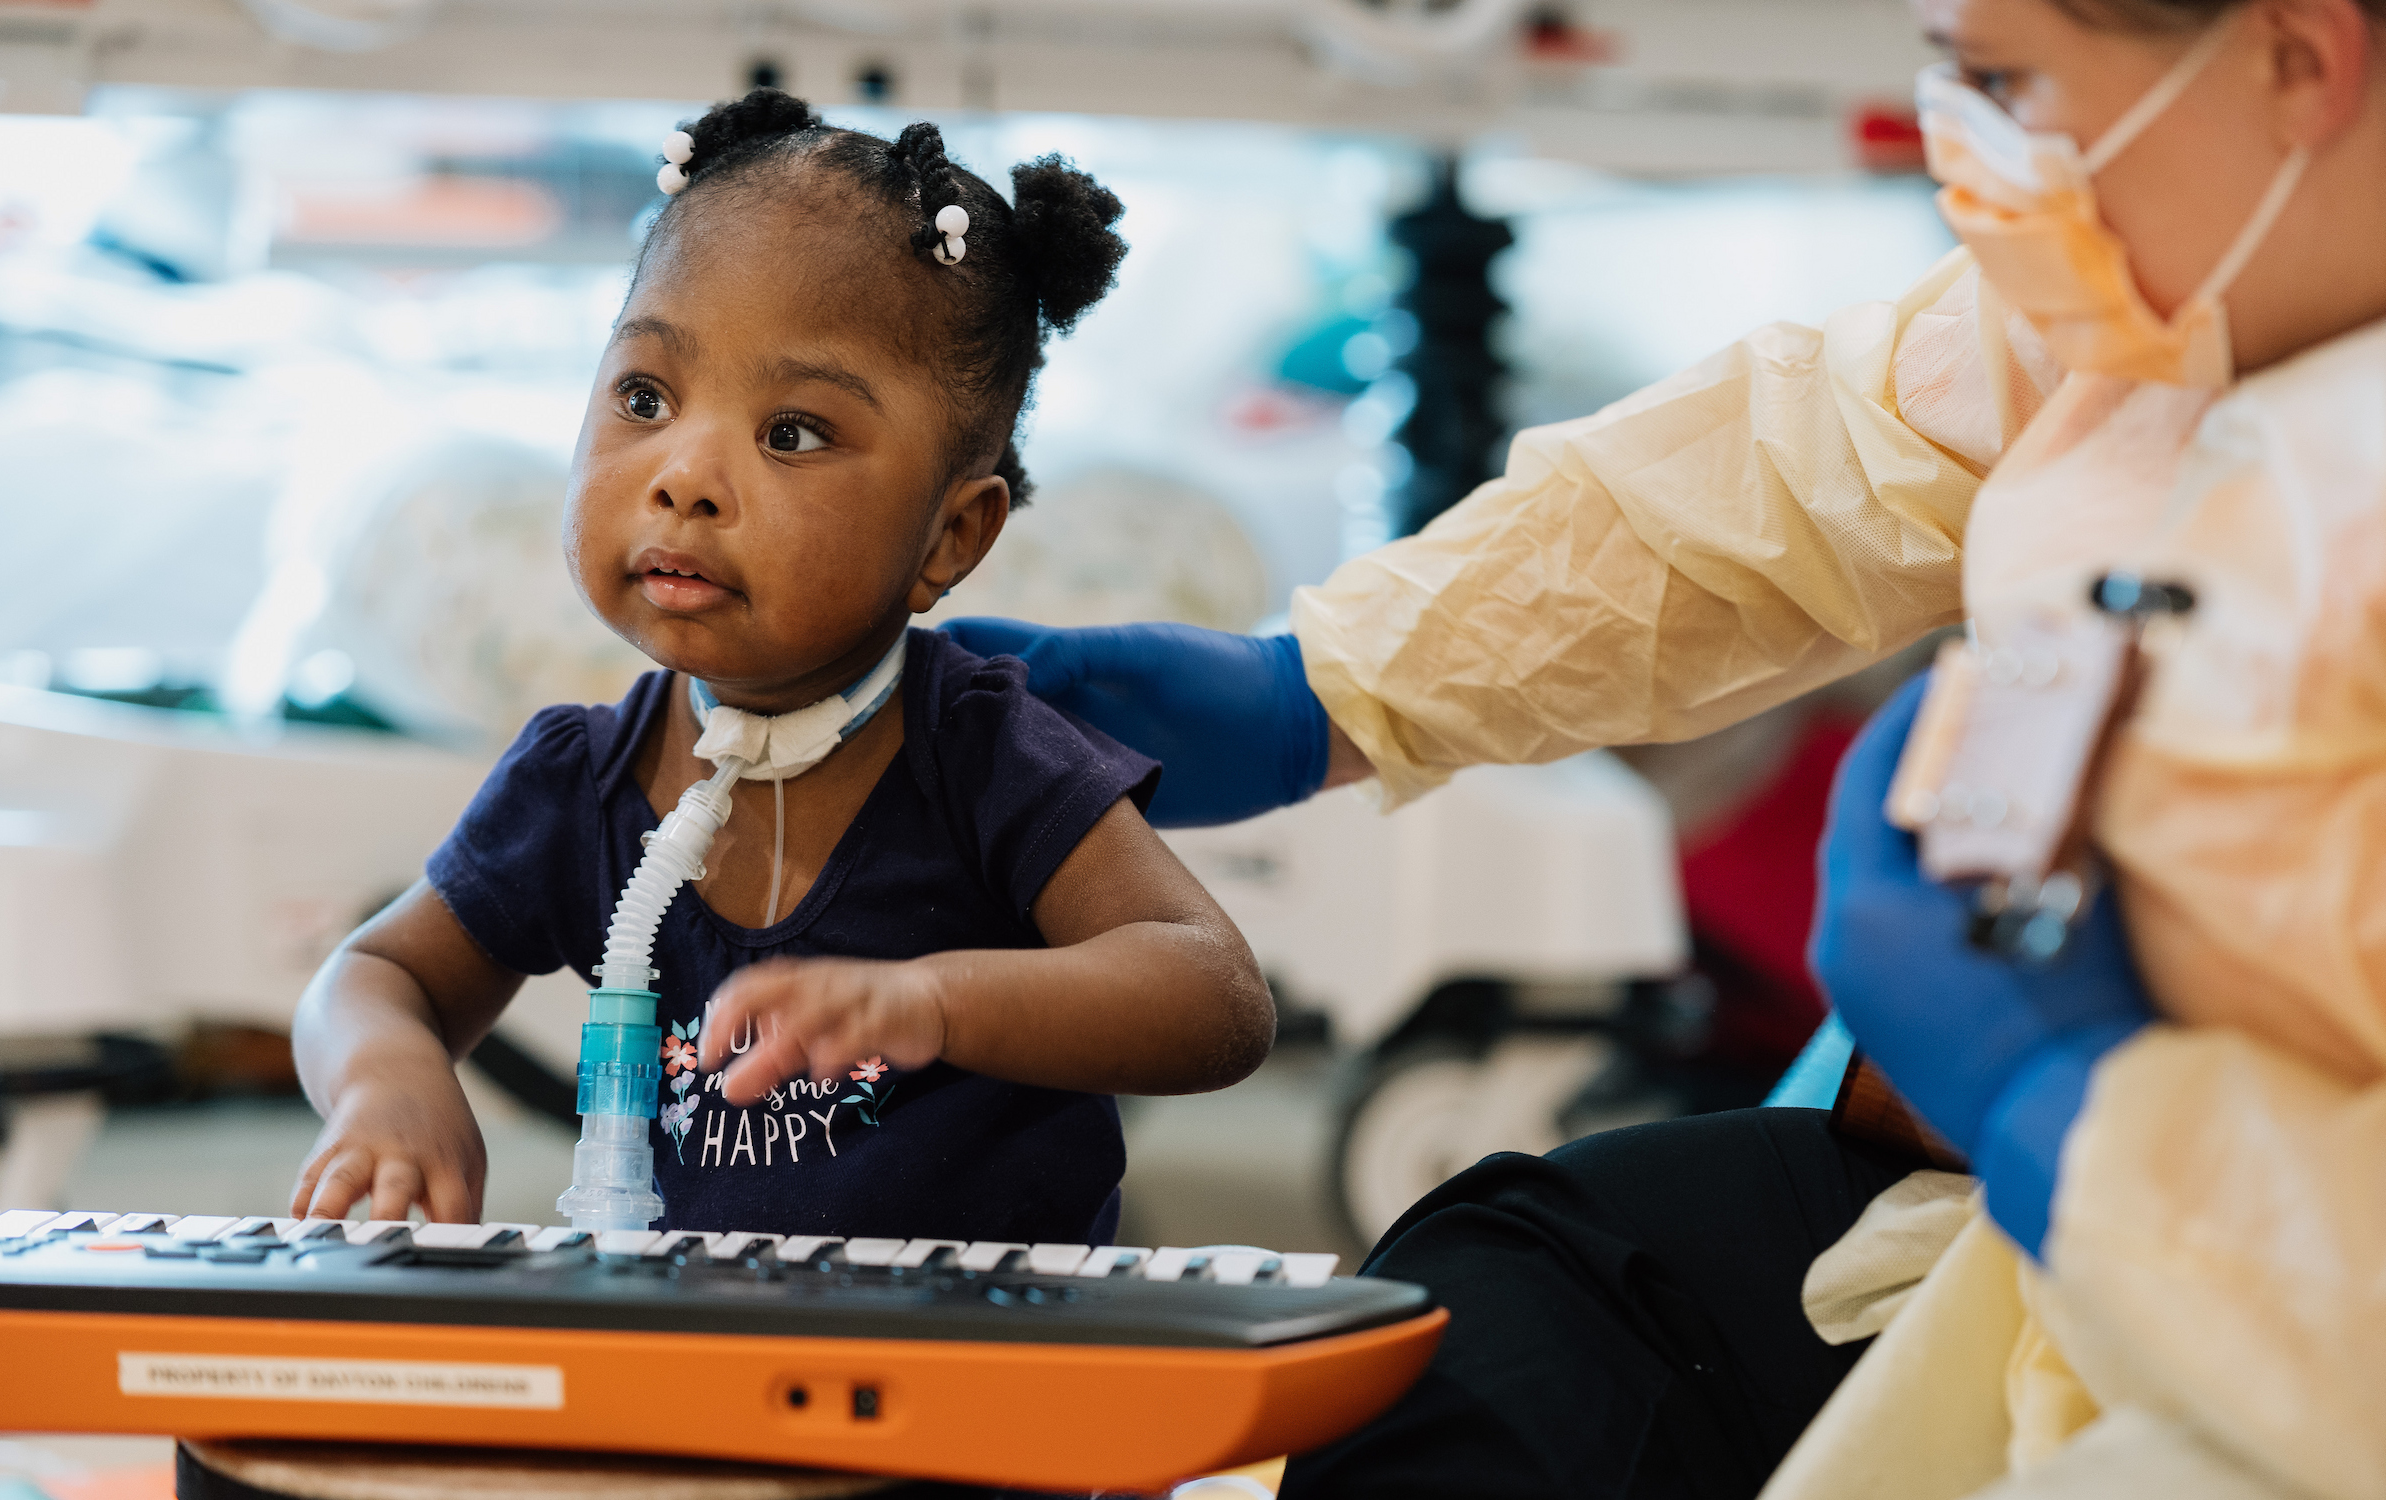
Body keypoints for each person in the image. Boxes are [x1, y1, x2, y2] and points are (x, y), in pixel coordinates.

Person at [943, 0, 2386, 1491]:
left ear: (2299, 56)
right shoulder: (2183, 287)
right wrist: (1333, 684)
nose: (1982, 168)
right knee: (1503, 1299)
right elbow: (1810, 460)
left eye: (2013, 87)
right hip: (2051, 1239)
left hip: (2284, 1318)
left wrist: (2067, 1108)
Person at [288, 91, 1274, 1245]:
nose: (685, 475)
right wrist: (385, 1079)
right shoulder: (583, 782)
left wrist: (933, 1003)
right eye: (645, 398)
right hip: (712, 1364)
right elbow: (373, 976)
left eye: (792, 433)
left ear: (952, 537)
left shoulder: (980, 752)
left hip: (986, 1371)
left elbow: (1213, 997)